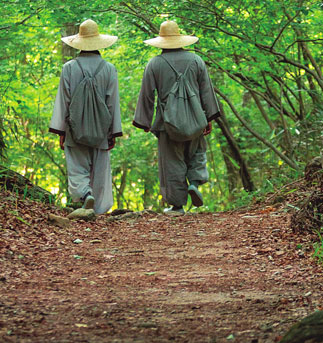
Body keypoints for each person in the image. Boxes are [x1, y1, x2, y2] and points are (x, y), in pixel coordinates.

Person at [132, 19, 220, 214]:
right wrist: (209, 118)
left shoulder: (154, 64)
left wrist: (144, 121)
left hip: (167, 122)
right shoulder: (196, 61)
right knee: (197, 153)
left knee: (172, 161)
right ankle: (195, 183)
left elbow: (147, 94)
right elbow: (206, 91)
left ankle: (177, 205)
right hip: (195, 118)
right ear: (180, 39)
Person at [48, 19, 122, 217]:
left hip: (74, 127)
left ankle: (84, 194)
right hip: (101, 128)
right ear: (99, 43)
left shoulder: (69, 68)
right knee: (100, 167)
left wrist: (61, 130)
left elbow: (64, 101)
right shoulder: (109, 69)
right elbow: (112, 102)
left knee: (77, 166)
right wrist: (113, 132)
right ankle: (98, 209)